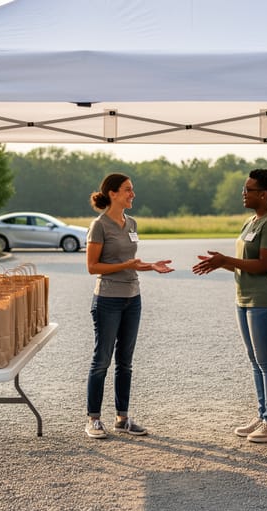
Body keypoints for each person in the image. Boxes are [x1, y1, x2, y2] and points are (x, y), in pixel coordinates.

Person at [192, 168, 267, 443]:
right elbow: (244, 263)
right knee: (255, 361)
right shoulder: (251, 222)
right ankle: (263, 414)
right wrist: (219, 263)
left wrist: (226, 260)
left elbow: (264, 265)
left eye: (248, 189)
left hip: (264, 301)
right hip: (244, 299)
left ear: (263, 194)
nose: (243, 193)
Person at [85, 173, 174, 439]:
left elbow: (131, 262)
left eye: (132, 189)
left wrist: (150, 266)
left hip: (132, 298)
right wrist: (128, 265)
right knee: (102, 360)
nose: (132, 194)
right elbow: (93, 267)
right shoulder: (99, 225)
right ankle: (93, 420)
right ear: (112, 193)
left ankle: (122, 419)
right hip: (107, 300)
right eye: (127, 190)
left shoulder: (131, 223)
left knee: (126, 362)